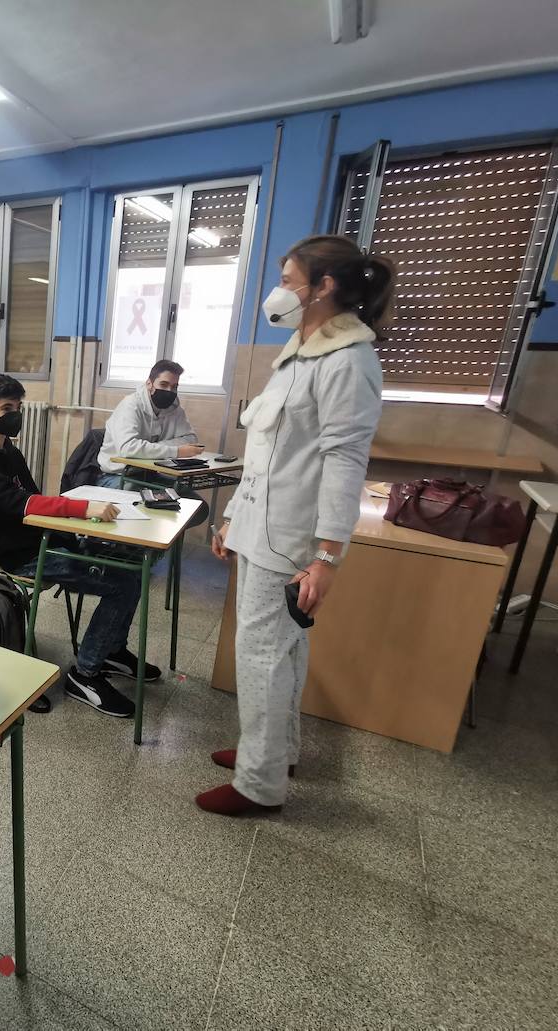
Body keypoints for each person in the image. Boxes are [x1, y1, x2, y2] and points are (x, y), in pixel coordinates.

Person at [202, 235, 394, 817]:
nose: (280, 289)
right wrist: (231, 516)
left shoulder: (348, 359)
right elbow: (266, 448)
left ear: (323, 286)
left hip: (290, 538)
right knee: (281, 649)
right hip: (260, 525)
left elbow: (344, 460)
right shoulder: (301, 347)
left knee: (262, 653)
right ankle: (276, 753)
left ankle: (259, 787)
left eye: (289, 279)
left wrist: (328, 556)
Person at [0, 372, 160, 718]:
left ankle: (111, 650)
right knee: (123, 582)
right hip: (16, 556)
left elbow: (34, 497)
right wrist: (82, 508)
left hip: (37, 540)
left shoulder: (8, 450)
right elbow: (20, 503)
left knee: (129, 564)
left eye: (18, 406)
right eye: (7, 408)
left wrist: (76, 525)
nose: (15, 414)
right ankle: (85, 674)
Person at [96, 359, 203, 487]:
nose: (169, 391)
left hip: (149, 475)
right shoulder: (131, 405)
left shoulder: (175, 409)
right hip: (117, 476)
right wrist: (176, 451)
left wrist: (151, 447)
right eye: (164, 384)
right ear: (149, 384)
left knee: (197, 503)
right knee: (147, 504)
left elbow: (191, 439)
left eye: (174, 387)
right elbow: (128, 448)